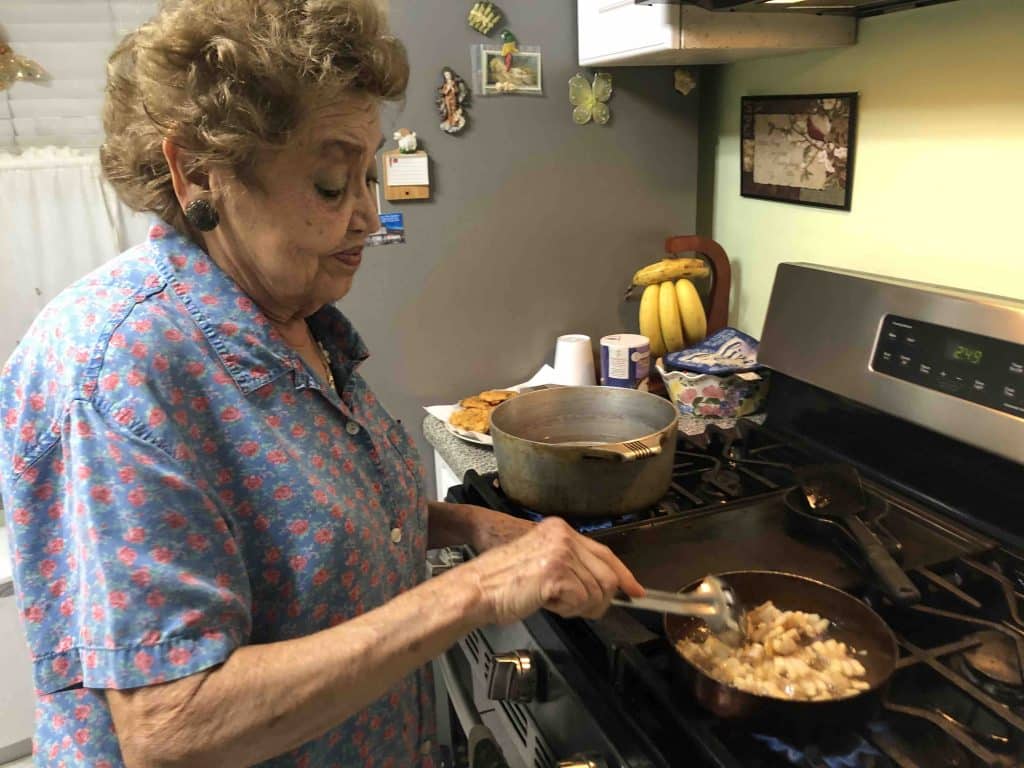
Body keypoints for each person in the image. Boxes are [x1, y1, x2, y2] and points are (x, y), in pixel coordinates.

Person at [0, 1, 644, 767]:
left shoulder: (295, 321)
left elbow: (305, 526)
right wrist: (473, 591)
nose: (368, 214)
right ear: (198, 172)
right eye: (334, 181)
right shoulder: (122, 369)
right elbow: (171, 728)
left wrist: (474, 528)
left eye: (367, 174)